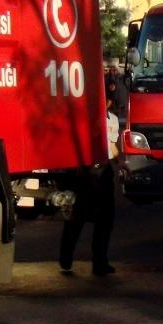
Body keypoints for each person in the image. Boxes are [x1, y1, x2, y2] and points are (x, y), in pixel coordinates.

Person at [59, 97, 119, 275]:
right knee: (76, 218)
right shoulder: (83, 117)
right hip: (83, 173)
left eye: (107, 101)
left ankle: (100, 262)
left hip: (103, 171)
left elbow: (112, 146)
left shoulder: (112, 120)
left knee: (105, 219)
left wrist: (120, 162)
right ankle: (66, 258)